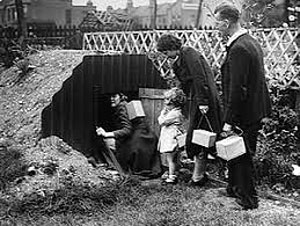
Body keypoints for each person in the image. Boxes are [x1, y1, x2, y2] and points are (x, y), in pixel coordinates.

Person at [214, 3, 272, 210]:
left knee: (242, 155)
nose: (215, 27)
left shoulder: (239, 48)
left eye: (217, 22)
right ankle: (234, 189)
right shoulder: (250, 42)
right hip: (254, 109)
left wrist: (229, 121)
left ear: (226, 22)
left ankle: (248, 199)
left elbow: (238, 89)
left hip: (245, 112)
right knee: (237, 152)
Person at [156, 34, 222, 186]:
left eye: (166, 52)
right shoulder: (178, 61)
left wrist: (203, 102)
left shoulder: (189, 54)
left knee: (201, 135)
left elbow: (200, 79)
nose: (166, 57)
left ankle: (198, 176)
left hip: (204, 99)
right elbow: (184, 85)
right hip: (194, 100)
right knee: (198, 136)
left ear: (173, 47)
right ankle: (198, 175)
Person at [96, 92, 161, 179]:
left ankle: (116, 168)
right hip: (147, 139)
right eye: (110, 96)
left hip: (140, 142)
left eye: (114, 96)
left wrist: (106, 134)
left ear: (121, 97)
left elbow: (127, 130)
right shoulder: (126, 105)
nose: (111, 99)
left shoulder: (122, 108)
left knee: (104, 141)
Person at [157, 87, 186, 184]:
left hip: (171, 139)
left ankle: (172, 177)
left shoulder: (175, 114)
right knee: (171, 158)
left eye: (169, 103)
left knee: (171, 159)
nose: (166, 105)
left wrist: (162, 113)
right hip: (170, 138)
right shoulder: (174, 112)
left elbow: (161, 121)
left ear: (174, 103)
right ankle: (173, 173)